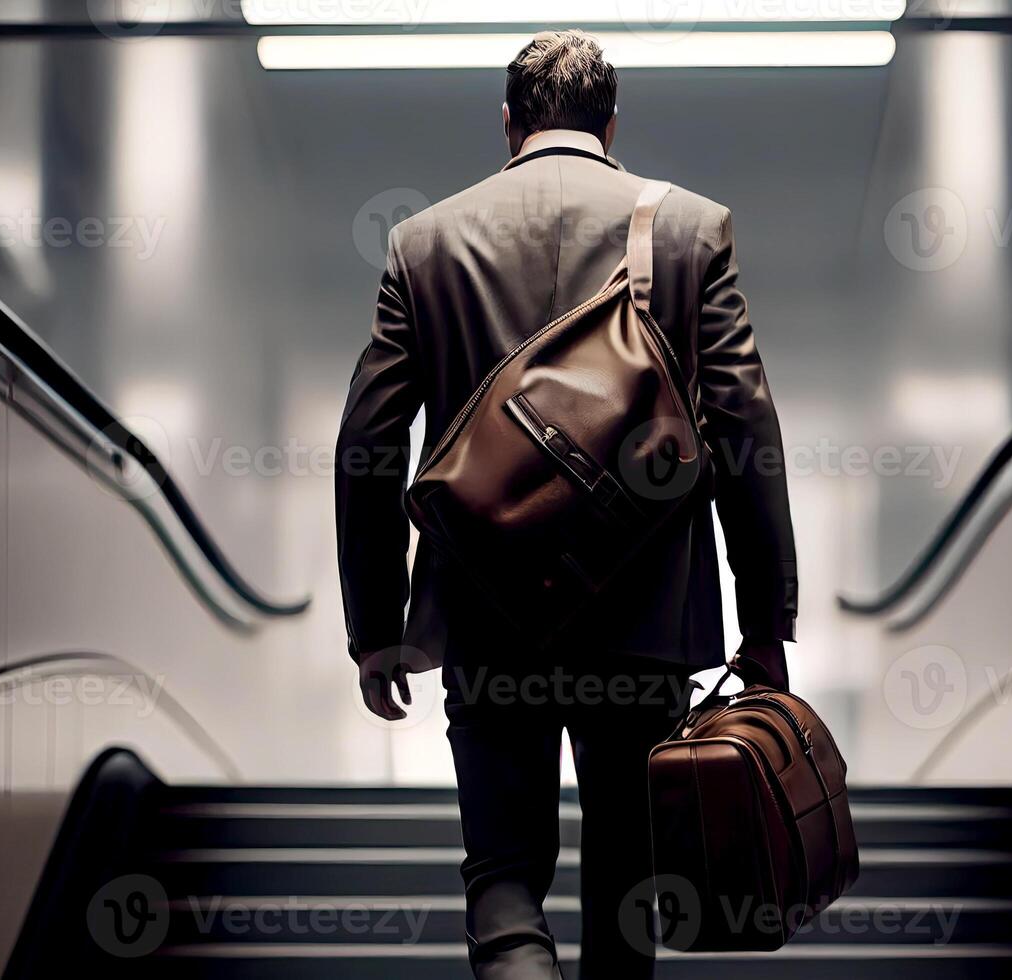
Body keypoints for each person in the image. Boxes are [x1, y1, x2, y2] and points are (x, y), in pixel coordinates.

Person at [333, 29, 798, 979]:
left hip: (485, 614)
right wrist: (765, 619)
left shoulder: (423, 244)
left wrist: (376, 626)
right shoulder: (691, 231)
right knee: (631, 881)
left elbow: (368, 445)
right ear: (612, 123)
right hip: (644, 618)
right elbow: (747, 428)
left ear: (508, 125)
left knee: (502, 873)